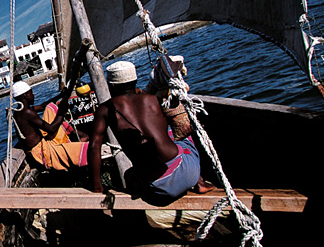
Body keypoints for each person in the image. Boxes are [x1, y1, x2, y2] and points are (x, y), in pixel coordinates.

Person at [87, 61, 212, 205]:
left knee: (129, 174)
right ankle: (200, 182)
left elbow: (94, 147)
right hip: (188, 172)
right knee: (177, 134)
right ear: (135, 80)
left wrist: (97, 187)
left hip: (158, 187)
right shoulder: (153, 99)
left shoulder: (104, 110)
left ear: (112, 85)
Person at [12, 47, 89, 172]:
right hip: (42, 152)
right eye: (31, 93)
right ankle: (78, 143)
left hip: (40, 145)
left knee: (50, 107)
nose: (33, 95)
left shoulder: (21, 110)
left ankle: (78, 137)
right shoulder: (27, 113)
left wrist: (62, 96)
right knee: (86, 149)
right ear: (26, 95)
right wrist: (61, 113)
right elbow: (51, 129)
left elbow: (42, 106)